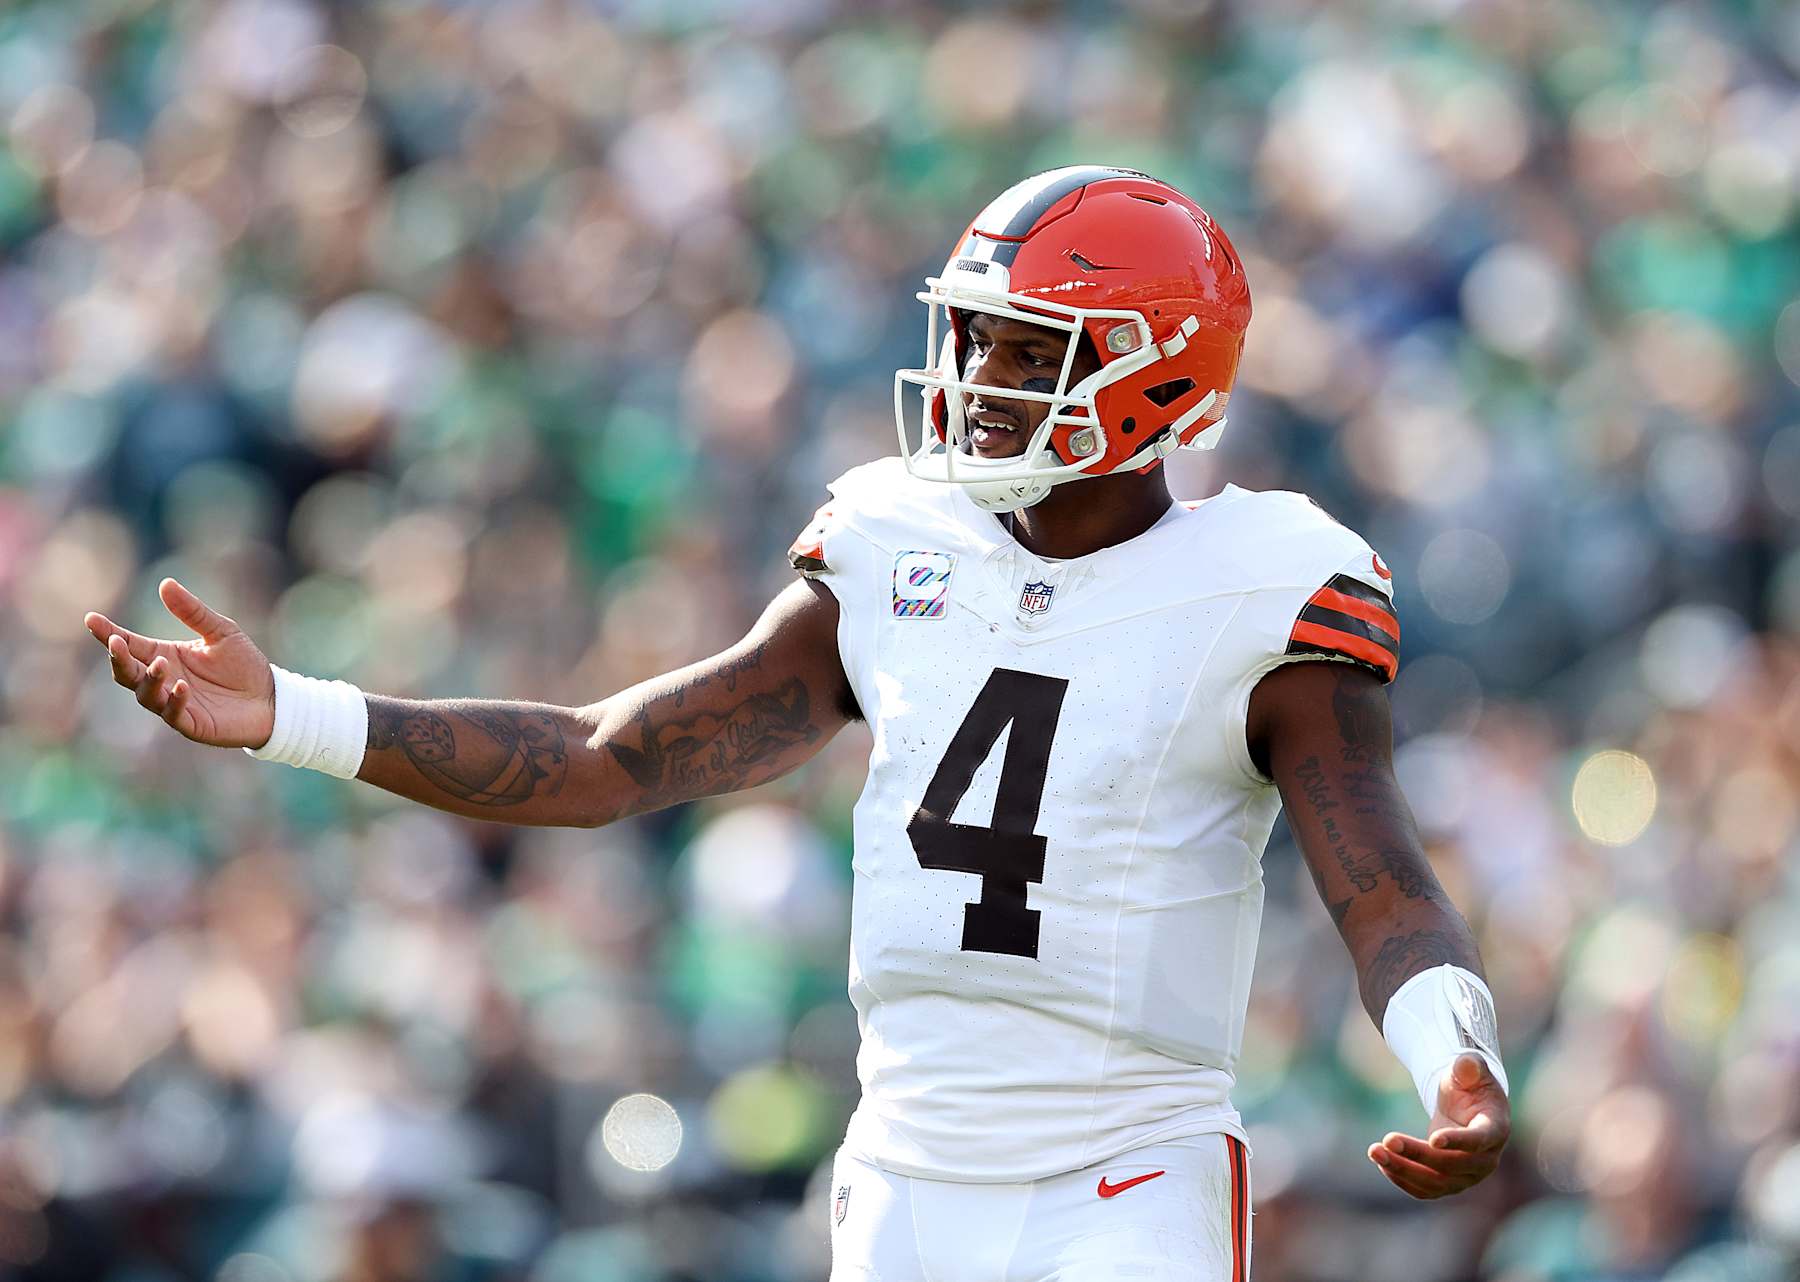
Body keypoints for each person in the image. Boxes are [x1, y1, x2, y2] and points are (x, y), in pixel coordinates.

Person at [87, 166, 1510, 1281]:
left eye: (1030, 352)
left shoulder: (1263, 583)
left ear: (1161, 371)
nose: (979, 380)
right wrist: (297, 714)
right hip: (902, 1170)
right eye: (976, 338)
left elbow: (1379, 883)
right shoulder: (896, 544)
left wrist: (1456, 1059)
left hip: (1126, 1175)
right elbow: (606, 757)